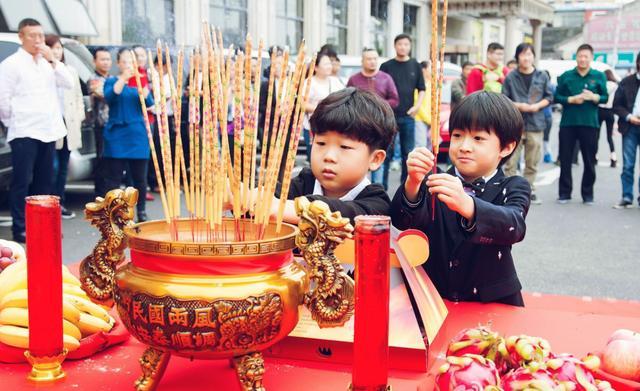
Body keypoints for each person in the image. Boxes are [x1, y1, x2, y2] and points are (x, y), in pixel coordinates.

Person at [390, 92, 529, 306]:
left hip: (492, 300)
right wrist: (413, 182)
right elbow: (403, 222)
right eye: (457, 135)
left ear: (506, 147)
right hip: (431, 297)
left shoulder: (513, 186)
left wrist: (468, 205)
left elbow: (514, 226)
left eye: (478, 138)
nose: (464, 146)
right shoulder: (434, 180)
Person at [268, 88, 395, 224]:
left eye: (344, 147)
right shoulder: (303, 183)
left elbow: (347, 214)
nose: (329, 156)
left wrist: (286, 208)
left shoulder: (376, 204)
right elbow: (267, 196)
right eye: (321, 143)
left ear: (375, 159)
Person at [0, 18, 73, 243]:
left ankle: (42, 225)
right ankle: (20, 228)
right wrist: (12, 122)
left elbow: (69, 83)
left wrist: (53, 61)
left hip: (48, 129)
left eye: (41, 36)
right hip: (23, 130)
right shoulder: (11, 64)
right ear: (22, 37)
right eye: (33, 36)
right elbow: (3, 98)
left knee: (45, 181)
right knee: (22, 180)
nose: (38, 40)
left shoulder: (47, 63)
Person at [102, 48, 154, 222]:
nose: (128, 65)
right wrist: (123, 78)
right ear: (118, 64)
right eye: (124, 62)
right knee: (113, 177)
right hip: (116, 134)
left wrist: (143, 86)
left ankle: (141, 211)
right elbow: (110, 96)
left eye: (131, 62)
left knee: (139, 177)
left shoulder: (140, 83)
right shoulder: (111, 81)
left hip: (137, 134)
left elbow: (149, 103)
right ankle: (113, 211)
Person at [554, 44, 608, 205]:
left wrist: (594, 97)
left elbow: (605, 97)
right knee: (565, 159)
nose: (583, 59)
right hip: (568, 123)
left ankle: (588, 194)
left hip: (590, 124)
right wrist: (571, 99)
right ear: (576, 57)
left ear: (591, 58)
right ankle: (564, 193)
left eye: (586, 56)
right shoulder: (566, 76)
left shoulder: (598, 76)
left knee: (589, 160)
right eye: (580, 56)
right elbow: (556, 97)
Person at [502, 43, 552, 205]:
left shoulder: (542, 76)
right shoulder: (511, 77)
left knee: (532, 160)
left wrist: (538, 106)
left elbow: (550, 97)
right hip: (515, 123)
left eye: (529, 54)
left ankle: (529, 189)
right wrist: (519, 106)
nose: (526, 58)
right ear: (517, 57)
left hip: (536, 123)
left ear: (533, 56)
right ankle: (510, 191)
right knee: (510, 160)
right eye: (523, 55)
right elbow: (504, 98)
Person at [379, 34, 426, 190]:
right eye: (400, 44)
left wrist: (417, 107)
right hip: (388, 117)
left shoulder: (415, 65)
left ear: (410, 46)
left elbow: (422, 89)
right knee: (386, 153)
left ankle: (404, 189)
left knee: (408, 154)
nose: (403, 47)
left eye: (406, 44)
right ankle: (382, 188)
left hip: (408, 116)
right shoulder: (386, 66)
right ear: (395, 46)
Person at [46, 34, 85, 219]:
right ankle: (49, 203)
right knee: (50, 166)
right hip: (50, 123)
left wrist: (79, 117)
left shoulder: (70, 70)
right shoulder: (44, 70)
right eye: (53, 48)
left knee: (63, 166)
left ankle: (60, 202)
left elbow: (77, 96)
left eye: (59, 48)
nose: (57, 52)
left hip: (69, 122)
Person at [302, 52, 345, 163]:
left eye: (330, 64)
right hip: (314, 126)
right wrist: (322, 108)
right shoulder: (309, 83)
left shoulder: (335, 82)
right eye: (325, 64)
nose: (329, 66)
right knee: (316, 157)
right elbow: (302, 104)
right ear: (315, 67)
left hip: (334, 124)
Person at [612, 52, 640, 209]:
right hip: (630, 127)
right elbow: (617, 105)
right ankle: (627, 196)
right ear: (638, 63)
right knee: (628, 164)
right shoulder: (626, 82)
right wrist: (629, 117)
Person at [89, 47, 112, 197]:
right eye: (102, 59)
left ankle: (109, 192)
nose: (105, 62)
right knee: (102, 159)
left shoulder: (112, 79)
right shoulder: (93, 79)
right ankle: (100, 193)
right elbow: (105, 95)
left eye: (108, 59)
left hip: (113, 125)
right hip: (101, 125)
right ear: (95, 61)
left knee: (111, 160)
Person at [597, 69, 618, 167]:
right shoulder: (615, 86)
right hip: (610, 111)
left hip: (600, 110)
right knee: (609, 137)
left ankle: (595, 156)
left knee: (597, 135)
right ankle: (613, 157)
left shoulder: (602, 84)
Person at [414, 60, 432, 150]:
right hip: (420, 119)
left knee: (430, 146)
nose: (432, 71)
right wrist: (428, 119)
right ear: (423, 70)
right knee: (421, 145)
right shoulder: (417, 84)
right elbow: (417, 105)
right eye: (430, 68)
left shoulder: (431, 84)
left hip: (430, 120)